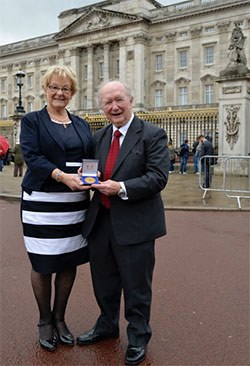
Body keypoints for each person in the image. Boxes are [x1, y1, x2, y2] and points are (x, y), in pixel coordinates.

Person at [76, 80, 169, 365]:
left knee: (136, 285)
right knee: (104, 282)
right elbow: (94, 169)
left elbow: (158, 177)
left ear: (130, 99)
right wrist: (85, 174)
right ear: (101, 107)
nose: (113, 107)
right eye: (107, 102)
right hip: (102, 219)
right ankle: (107, 325)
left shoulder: (152, 134)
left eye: (118, 100)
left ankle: (138, 336)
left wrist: (122, 188)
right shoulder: (100, 136)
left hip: (136, 222)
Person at [20, 65, 93, 352]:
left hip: (74, 203)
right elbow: (32, 156)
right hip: (43, 200)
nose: (59, 93)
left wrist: (90, 179)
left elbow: (90, 158)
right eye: (54, 87)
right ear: (45, 89)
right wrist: (62, 176)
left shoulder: (81, 123)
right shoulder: (32, 121)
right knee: (42, 262)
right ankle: (44, 321)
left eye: (65, 88)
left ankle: (60, 318)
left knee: (68, 261)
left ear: (72, 93)